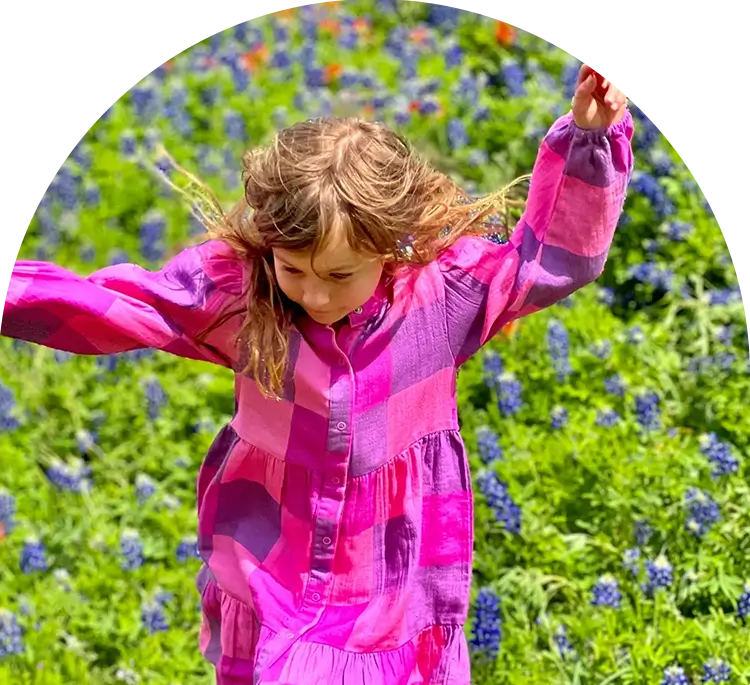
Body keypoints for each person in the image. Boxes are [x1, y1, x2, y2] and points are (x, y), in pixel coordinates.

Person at [0, 64, 632, 685]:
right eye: (294, 269)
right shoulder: (240, 299)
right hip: (274, 549)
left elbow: (550, 259)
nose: (316, 296)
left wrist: (590, 143)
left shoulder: (442, 298)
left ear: (390, 248)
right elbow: (115, 304)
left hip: (388, 569)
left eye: (338, 275)